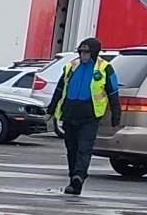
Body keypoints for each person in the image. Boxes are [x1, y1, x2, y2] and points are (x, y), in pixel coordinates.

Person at [48, 37, 122, 196]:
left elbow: (113, 92)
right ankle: (72, 178)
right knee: (71, 149)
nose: (83, 55)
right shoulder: (71, 66)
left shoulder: (104, 68)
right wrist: (51, 108)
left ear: (94, 52)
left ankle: (79, 177)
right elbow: (61, 88)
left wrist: (116, 115)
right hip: (70, 113)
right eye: (81, 51)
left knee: (84, 148)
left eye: (87, 52)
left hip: (90, 114)